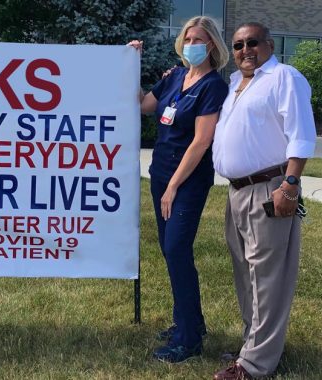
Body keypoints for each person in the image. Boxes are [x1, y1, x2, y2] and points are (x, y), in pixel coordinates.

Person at [211, 22, 316, 380]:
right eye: (238, 45)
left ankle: (255, 366)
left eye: (252, 42)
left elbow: (300, 133)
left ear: (268, 44)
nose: (245, 50)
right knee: (246, 272)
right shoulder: (235, 84)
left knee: (268, 276)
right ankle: (253, 345)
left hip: (269, 187)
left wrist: (290, 185)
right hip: (236, 190)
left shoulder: (283, 77)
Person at [129, 15, 229, 363]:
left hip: (186, 182)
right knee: (171, 252)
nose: (191, 45)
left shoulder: (213, 86)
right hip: (161, 175)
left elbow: (202, 141)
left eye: (198, 39)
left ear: (212, 44)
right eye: (187, 39)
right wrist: (132, 64)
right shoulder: (175, 78)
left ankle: (188, 340)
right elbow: (143, 106)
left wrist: (173, 187)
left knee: (177, 250)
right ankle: (189, 322)